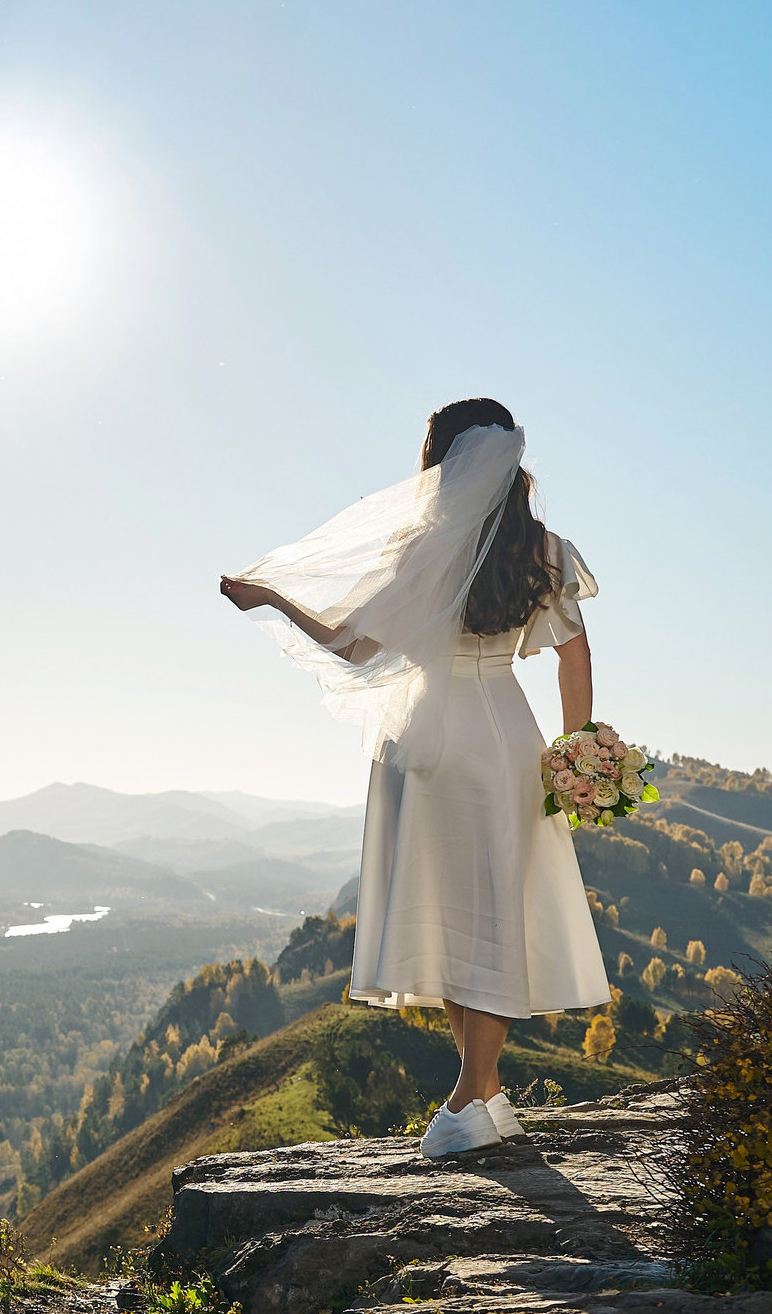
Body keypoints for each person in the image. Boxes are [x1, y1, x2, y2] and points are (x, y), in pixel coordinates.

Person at [218, 398, 609, 1157]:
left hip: (433, 742)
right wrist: (575, 749)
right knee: (490, 914)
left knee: (461, 919)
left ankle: (468, 1097)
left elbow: (353, 649)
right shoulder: (546, 551)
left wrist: (270, 597)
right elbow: (574, 657)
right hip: (509, 734)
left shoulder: (425, 551)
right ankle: (486, 1096)